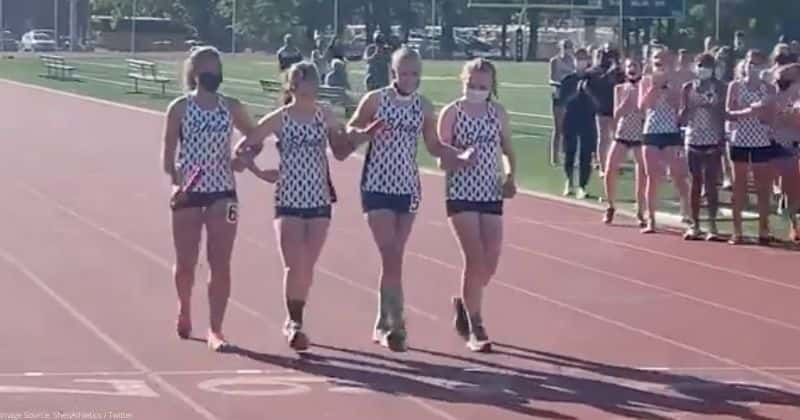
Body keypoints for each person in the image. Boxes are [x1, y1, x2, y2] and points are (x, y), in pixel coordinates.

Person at [233, 62, 382, 351]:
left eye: (312, 79)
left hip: (319, 200)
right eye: (302, 80)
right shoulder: (280, 118)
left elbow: (340, 152)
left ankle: (296, 314)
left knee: (307, 267)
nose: (309, 85)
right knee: (293, 264)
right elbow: (244, 147)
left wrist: (366, 134)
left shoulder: (324, 115)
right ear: (291, 85)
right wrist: (260, 172)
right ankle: (294, 323)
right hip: (288, 199)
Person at [344, 47, 467, 352]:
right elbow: (350, 131)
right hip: (376, 186)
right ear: (393, 73)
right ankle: (396, 323)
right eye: (405, 72)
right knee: (391, 254)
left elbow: (433, 145)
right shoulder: (375, 99)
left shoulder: (423, 106)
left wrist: (458, 156)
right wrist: (366, 131)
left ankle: (382, 320)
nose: (410, 79)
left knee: (395, 256)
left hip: (408, 188)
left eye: (416, 73)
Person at [161, 46, 253, 352]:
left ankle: (216, 329)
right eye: (208, 70)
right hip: (189, 194)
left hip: (223, 193)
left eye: (218, 69)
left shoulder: (231, 106)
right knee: (186, 263)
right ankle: (184, 308)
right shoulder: (179, 108)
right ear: (195, 73)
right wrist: (178, 181)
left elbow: (255, 138)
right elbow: (167, 160)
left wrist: (243, 156)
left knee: (220, 263)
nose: (214, 75)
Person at [437, 58, 517, 352]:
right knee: (475, 257)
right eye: (471, 84)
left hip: (491, 192)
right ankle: (476, 324)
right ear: (463, 80)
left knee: (491, 260)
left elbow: (507, 148)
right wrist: (458, 159)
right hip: (461, 192)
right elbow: (440, 154)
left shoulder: (497, 112)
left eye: (482, 86)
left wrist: (510, 175)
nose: (476, 90)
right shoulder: (452, 112)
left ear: (491, 86)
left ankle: (465, 299)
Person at [725, 49, 776, 244]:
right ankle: (737, 230)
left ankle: (763, 229)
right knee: (739, 186)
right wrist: (749, 111)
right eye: (749, 63)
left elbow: (771, 116)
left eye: (756, 64)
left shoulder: (768, 89)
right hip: (739, 141)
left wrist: (763, 112)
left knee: (763, 188)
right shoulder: (735, 86)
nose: (752, 67)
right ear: (744, 64)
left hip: (761, 141)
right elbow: (729, 113)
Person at [638, 47, 690, 233]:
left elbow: (679, 106)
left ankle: (687, 210)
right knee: (652, 177)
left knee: (678, 176)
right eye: (656, 58)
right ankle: (650, 218)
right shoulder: (646, 80)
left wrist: (668, 89)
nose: (659, 61)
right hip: (651, 132)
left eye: (663, 58)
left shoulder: (676, 81)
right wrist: (654, 87)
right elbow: (643, 106)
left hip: (671, 133)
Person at [679, 53, 727, 241]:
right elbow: (681, 116)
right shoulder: (688, 87)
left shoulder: (721, 87)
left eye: (707, 66)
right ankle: (695, 224)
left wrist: (711, 106)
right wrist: (692, 107)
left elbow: (723, 113)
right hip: (693, 138)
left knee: (711, 183)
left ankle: (712, 225)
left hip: (713, 138)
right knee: (695, 181)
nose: (703, 69)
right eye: (700, 65)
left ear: (713, 68)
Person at [603, 57, 646, 226]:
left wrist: (638, 104)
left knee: (641, 173)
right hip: (622, 134)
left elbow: (646, 112)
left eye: (635, 66)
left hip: (640, 136)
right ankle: (610, 205)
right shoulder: (620, 88)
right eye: (629, 66)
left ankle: (640, 210)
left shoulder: (645, 88)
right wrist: (626, 103)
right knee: (609, 168)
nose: (632, 69)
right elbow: (616, 114)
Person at [767, 63, 800, 242]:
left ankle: (794, 225)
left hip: (792, 146)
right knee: (770, 186)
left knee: (793, 189)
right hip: (772, 143)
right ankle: (767, 226)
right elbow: (769, 116)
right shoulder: (773, 93)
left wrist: (789, 115)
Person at [560, 48, 597, 199]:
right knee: (570, 151)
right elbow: (562, 101)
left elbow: (598, 102)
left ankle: (582, 185)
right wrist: (575, 92)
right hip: (571, 118)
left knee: (585, 154)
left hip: (588, 119)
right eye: (578, 59)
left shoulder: (593, 80)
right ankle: (569, 181)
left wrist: (588, 92)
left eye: (583, 58)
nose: (580, 62)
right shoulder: (568, 80)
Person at [548, 39, 576, 166]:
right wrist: (561, 84)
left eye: (569, 47)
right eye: (565, 46)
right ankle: (554, 157)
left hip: (572, 96)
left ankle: (567, 155)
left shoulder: (574, 62)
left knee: (569, 128)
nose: (567, 49)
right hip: (559, 95)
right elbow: (552, 78)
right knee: (558, 127)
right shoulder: (555, 61)